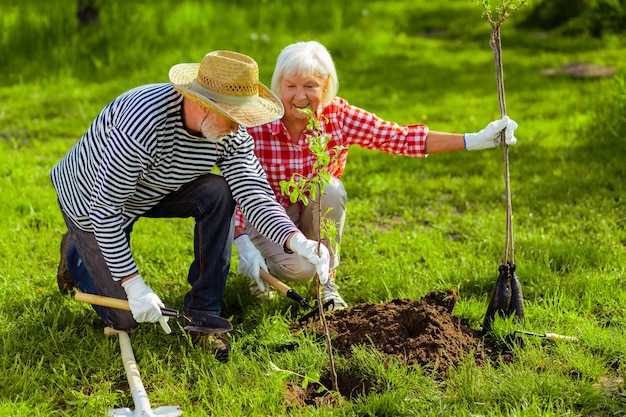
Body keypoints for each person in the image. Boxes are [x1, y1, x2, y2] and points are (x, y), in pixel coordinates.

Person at [51, 50, 330, 361]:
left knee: (220, 191)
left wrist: (295, 240)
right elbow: (105, 209)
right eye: (233, 118)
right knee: (126, 318)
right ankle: (76, 254)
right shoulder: (142, 123)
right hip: (92, 201)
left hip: (156, 186)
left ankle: (203, 313)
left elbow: (253, 192)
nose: (239, 129)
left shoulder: (229, 132)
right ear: (202, 104)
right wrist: (134, 284)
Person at [233, 41, 518, 309]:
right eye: (290, 85)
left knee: (329, 188)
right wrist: (240, 238)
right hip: (265, 217)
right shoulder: (258, 121)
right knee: (301, 269)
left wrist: (473, 140)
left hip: (310, 211)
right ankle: (261, 268)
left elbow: (399, 138)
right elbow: (237, 181)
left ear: (326, 86)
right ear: (277, 85)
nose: (299, 95)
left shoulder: (338, 117)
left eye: (310, 86)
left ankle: (327, 283)